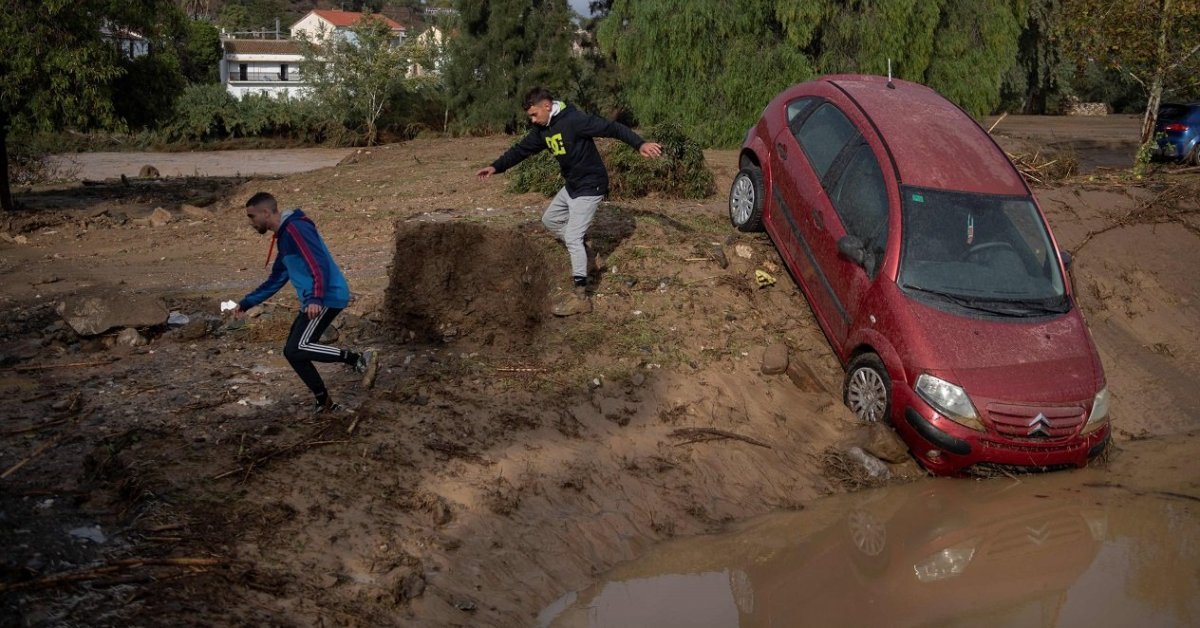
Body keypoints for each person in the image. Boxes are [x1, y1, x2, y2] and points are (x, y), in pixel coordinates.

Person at [476, 87, 663, 316]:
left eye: (534, 114)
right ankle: (587, 255)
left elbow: (612, 128)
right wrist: (496, 166)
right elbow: (521, 150)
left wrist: (640, 144)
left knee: (573, 237)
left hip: (591, 185)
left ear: (547, 106)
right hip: (573, 185)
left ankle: (581, 297)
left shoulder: (575, 120)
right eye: (530, 117)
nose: (533, 120)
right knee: (550, 219)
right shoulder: (542, 129)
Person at [233, 192, 379, 414]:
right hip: (315, 299)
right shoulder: (284, 237)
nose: (250, 222)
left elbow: (318, 262)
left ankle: (358, 359)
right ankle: (324, 401)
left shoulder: (296, 228)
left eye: (251, 216)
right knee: (292, 352)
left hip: (327, 297)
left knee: (298, 347)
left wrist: (315, 298)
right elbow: (277, 279)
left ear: (265, 212)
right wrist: (245, 303)